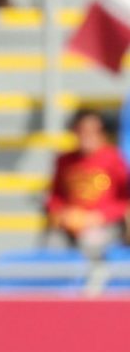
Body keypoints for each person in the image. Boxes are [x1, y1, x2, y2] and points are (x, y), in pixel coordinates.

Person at [45, 109, 129, 258]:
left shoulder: (114, 159)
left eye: (92, 131)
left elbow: (124, 200)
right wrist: (65, 216)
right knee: (52, 246)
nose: (86, 136)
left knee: (91, 243)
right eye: (82, 130)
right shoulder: (65, 161)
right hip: (70, 225)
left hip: (103, 224)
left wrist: (97, 217)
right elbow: (55, 197)